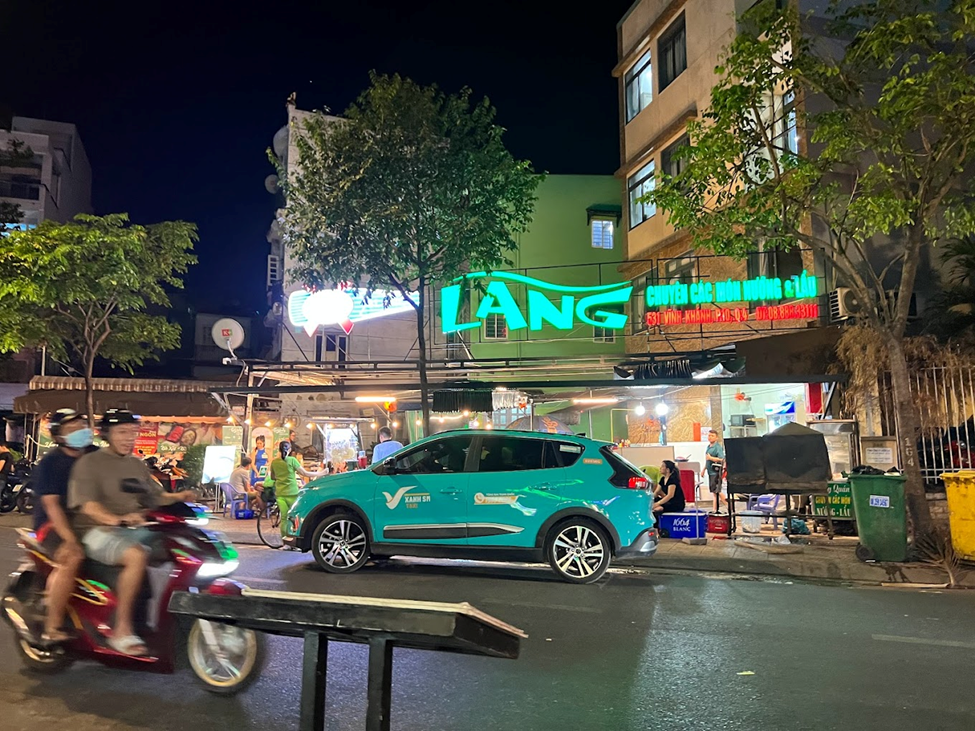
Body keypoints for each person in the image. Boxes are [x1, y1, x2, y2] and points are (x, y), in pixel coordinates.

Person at [68, 409, 196, 657]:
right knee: (136, 555)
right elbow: (87, 505)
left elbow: (155, 496)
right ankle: (121, 630)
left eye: (133, 432)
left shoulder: (136, 464)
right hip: (95, 532)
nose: (129, 438)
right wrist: (116, 519)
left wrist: (181, 496)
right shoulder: (89, 463)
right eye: (122, 432)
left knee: (178, 546)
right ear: (107, 434)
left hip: (132, 529)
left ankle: (167, 621)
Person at [32, 409, 95, 642]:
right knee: (72, 557)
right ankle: (52, 626)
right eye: (72, 428)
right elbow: (51, 505)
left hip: (88, 519)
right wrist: (69, 540)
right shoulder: (51, 463)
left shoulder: (95, 455)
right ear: (59, 436)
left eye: (81, 426)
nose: (79, 431)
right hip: (52, 524)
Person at [262, 441, 326, 545]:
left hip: (280, 493)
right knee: (294, 517)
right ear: (290, 450)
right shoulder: (292, 460)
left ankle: (285, 542)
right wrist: (320, 473)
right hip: (292, 492)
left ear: (279, 449)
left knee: (284, 518)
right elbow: (305, 473)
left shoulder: (274, 462)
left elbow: (273, 477)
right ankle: (295, 539)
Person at [701, 428, 727, 512]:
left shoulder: (717, 447)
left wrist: (711, 458)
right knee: (714, 492)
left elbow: (721, 459)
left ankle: (728, 505)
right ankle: (714, 509)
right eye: (709, 435)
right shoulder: (709, 447)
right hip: (710, 472)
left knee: (717, 491)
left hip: (715, 472)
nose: (710, 437)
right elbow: (707, 460)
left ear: (716, 438)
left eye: (712, 436)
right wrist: (704, 469)